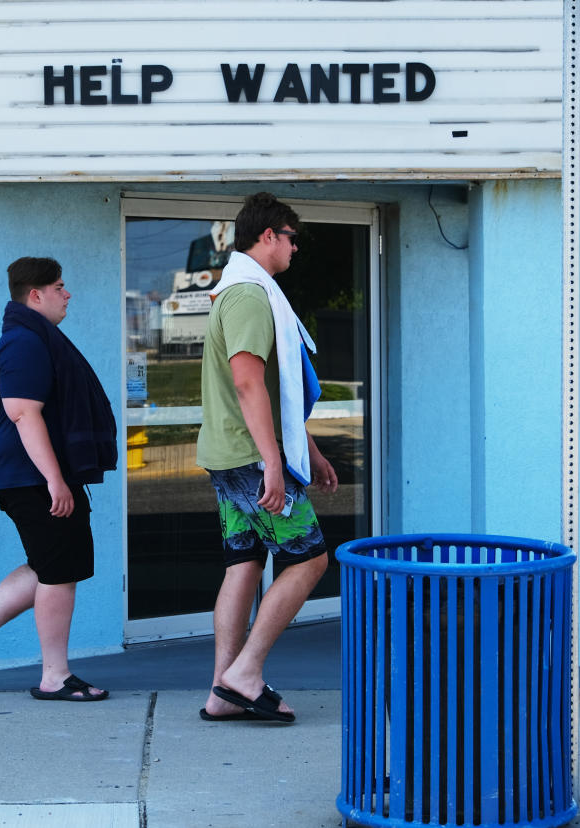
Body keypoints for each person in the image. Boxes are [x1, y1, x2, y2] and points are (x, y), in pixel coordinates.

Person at [0, 256, 117, 702]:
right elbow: (22, 411)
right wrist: (55, 480)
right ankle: (55, 677)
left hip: (30, 473)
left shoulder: (33, 337)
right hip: (31, 475)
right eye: (59, 286)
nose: (68, 293)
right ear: (35, 295)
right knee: (59, 569)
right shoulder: (24, 341)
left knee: (51, 562)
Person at [195, 192, 339, 723]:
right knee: (309, 559)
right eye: (292, 237)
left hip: (228, 454)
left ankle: (222, 691)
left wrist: (311, 450)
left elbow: (277, 392)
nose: (296, 248)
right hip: (248, 459)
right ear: (269, 236)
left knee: (245, 562)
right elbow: (248, 381)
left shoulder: (237, 291)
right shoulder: (252, 296)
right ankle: (246, 673)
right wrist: (273, 463)